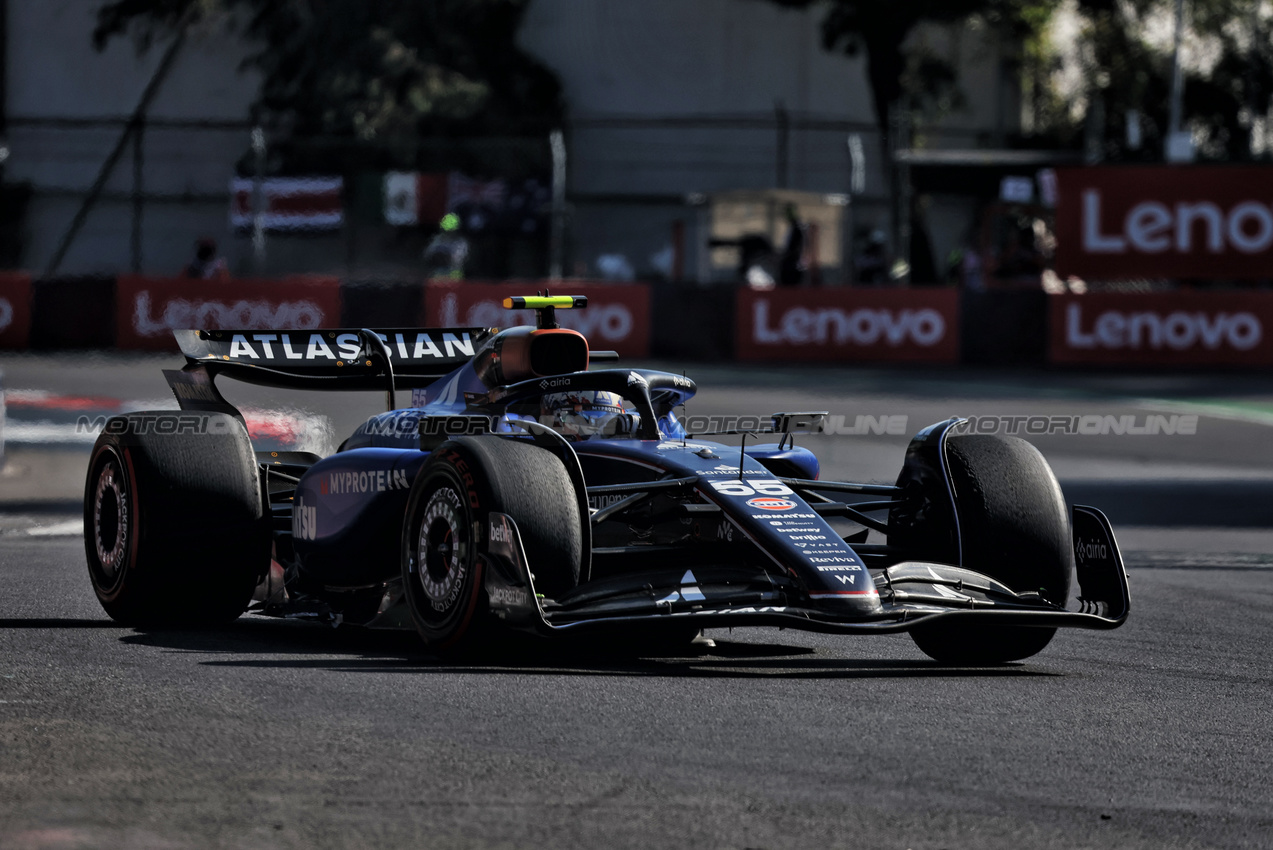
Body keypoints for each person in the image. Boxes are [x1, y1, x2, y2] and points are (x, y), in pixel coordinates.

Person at [778, 203, 806, 287]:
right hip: (791, 263)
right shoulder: (793, 229)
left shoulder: (797, 229)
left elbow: (795, 248)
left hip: (792, 265)